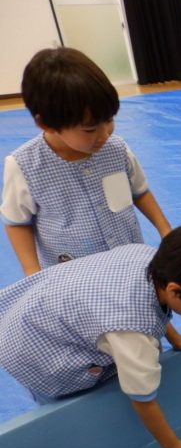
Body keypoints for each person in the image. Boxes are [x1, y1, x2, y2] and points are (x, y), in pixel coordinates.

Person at [0, 223, 181, 448]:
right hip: (37, 346)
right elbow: (143, 399)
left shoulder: (149, 257)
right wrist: (171, 445)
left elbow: (155, 305)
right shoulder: (132, 329)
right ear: (175, 290)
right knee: (71, 407)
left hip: (39, 305)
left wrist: (173, 337)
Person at [1, 47, 171, 277]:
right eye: (90, 129)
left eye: (109, 120)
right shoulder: (24, 166)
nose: (104, 134)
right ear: (47, 124)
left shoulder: (117, 149)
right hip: (73, 277)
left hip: (130, 263)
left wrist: (165, 230)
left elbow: (139, 192)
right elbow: (17, 222)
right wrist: (33, 272)